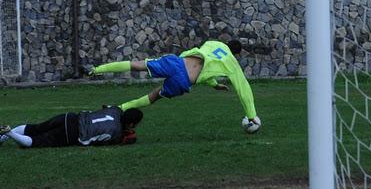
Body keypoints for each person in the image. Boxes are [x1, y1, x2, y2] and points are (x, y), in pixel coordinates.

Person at [89, 40, 260, 125]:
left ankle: (95, 69)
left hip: (176, 63)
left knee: (138, 65)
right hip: (183, 81)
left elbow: (205, 61)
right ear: (236, 54)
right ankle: (121, 108)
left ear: (226, 44)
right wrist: (251, 115)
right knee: (155, 95)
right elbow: (243, 89)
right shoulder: (232, 64)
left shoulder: (213, 43)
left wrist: (214, 84)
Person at [0, 106, 143, 148]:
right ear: (130, 124)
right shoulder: (116, 133)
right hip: (73, 133)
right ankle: (9, 132)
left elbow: (106, 107)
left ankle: (2, 137)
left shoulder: (116, 110)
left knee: (34, 129)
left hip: (70, 117)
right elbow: (99, 141)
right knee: (37, 141)